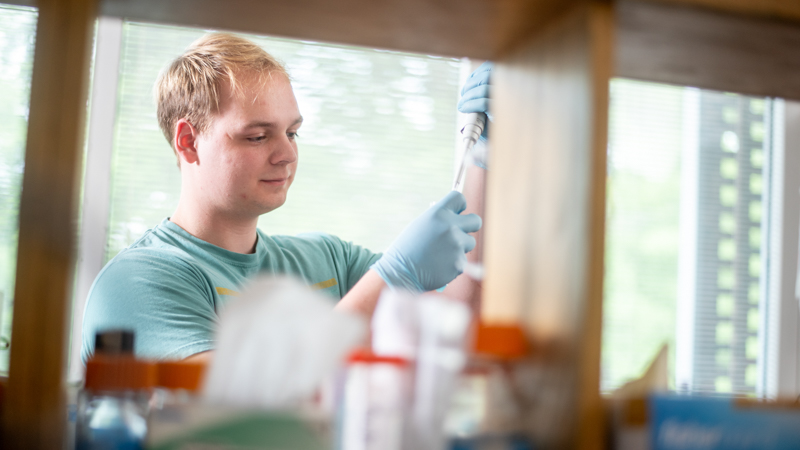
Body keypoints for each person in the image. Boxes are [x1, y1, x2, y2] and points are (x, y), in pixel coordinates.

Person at [81, 33, 492, 362]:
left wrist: (483, 159)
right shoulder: (137, 283)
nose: (287, 153)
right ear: (188, 142)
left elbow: (458, 322)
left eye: (292, 132)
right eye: (258, 136)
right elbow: (225, 415)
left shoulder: (330, 262)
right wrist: (395, 276)